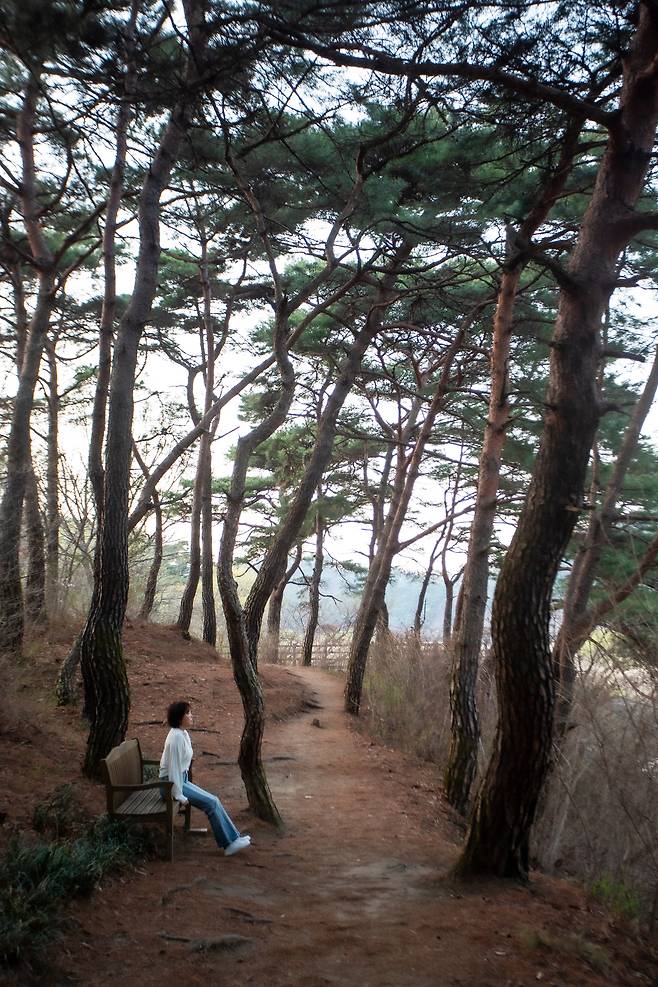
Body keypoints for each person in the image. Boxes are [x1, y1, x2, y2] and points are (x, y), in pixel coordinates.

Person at [159, 700, 251, 856]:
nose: (191, 716)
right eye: (187, 713)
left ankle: (234, 839)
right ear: (180, 717)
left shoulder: (182, 733)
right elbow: (173, 769)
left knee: (214, 799)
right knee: (211, 803)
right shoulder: (176, 738)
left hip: (182, 780)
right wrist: (179, 795)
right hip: (171, 785)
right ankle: (229, 845)